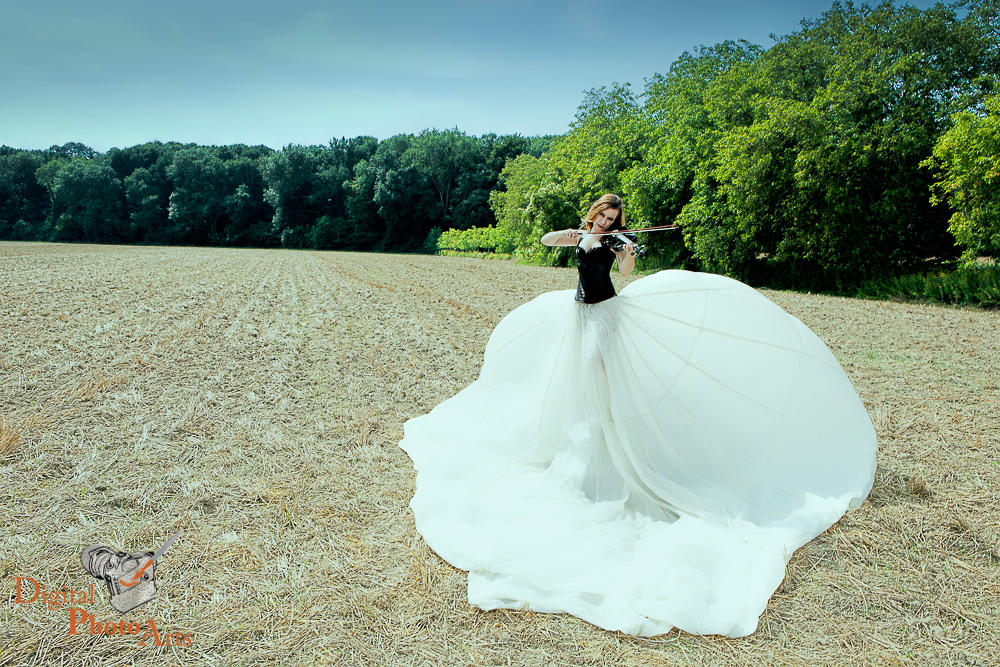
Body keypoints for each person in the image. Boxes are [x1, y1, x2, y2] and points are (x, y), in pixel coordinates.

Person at [400, 194, 876, 637]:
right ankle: (587, 457)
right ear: (595, 214)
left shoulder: (618, 243)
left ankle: (616, 454)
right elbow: (547, 241)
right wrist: (580, 235)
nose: (608, 224)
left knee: (601, 384)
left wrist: (624, 250)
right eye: (603, 218)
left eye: (613, 221)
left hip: (606, 315)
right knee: (580, 389)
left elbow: (624, 273)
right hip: (578, 315)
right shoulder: (585, 234)